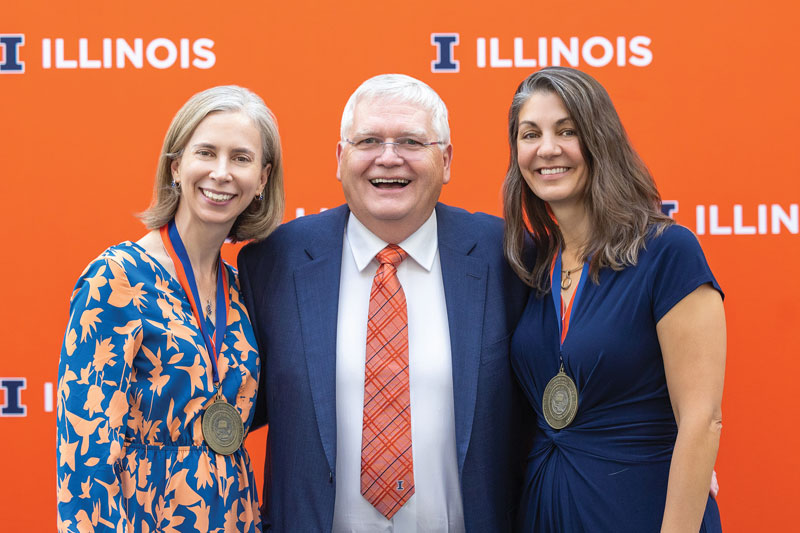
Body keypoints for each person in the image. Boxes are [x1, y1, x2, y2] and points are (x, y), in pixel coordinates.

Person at [238, 74, 530, 531]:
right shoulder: (273, 262)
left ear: (446, 160)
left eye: (412, 141)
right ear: (340, 158)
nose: (389, 157)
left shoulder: (507, 257)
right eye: (369, 140)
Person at [502, 66, 725, 532]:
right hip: (544, 511)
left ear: (600, 139)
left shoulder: (667, 252)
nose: (547, 149)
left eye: (567, 131)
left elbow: (701, 419)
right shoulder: (532, 265)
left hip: (638, 509)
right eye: (530, 133)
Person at [56, 85, 284, 532]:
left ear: (261, 179)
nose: (221, 173)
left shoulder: (240, 291)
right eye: (206, 152)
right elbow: (86, 457)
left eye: (241, 158)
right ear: (176, 166)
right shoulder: (117, 278)